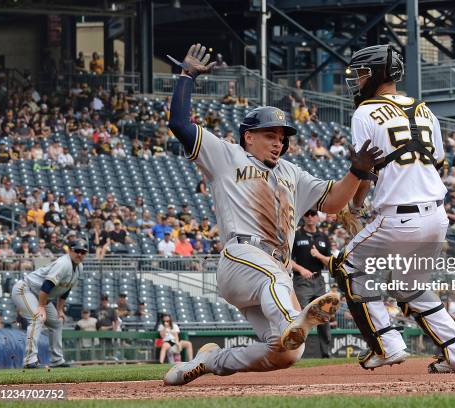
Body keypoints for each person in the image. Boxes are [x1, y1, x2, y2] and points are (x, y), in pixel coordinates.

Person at [163, 42, 382, 386]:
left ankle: (211, 360)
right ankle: (294, 321)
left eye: (282, 137)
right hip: (241, 258)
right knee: (276, 287)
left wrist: (356, 173)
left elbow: (334, 203)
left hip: (272, 272)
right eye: (270, 135)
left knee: (286, 353)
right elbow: (179, 123)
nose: (278, 142)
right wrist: (187, 77)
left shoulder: (293, 174)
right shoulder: (227, 156)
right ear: (248, 137)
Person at [330, 44, 455, 373]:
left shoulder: (364, 113)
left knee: (346, 267)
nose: (357, 80)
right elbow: (438, 162)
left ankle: (386, 343)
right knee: (409, 286)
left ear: (379, 74)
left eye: (361, 73)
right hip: (437, 216)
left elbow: (364, 169)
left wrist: (355, 207)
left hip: (399, 216)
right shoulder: (424, 110)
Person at [10, 239, 88, 368]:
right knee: (38, 318)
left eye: (83, 252)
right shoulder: (63, 264)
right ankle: (30, 361)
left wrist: (60, 309)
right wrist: (41, 306)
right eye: (77, 251)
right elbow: (47, 285)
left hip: (42, 295)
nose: (80, 254)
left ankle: (57, 360)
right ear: (70, 250)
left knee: (57, 322)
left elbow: (66, 289)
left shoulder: (79, 267)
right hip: (25, 289)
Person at [291, 210, 332, 358]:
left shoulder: (323, 237)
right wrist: (301, 269)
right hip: (301, 282)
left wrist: (318, 255)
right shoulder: (296, 235)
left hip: (319, 280)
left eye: (312, 214)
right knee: (300, 317)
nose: (309, 217)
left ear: (317, 217)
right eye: (307, 215)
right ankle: (296, 354)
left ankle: (326, 354)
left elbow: (330, 262)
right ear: (303, 217)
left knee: (323, 318)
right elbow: (286, 259)